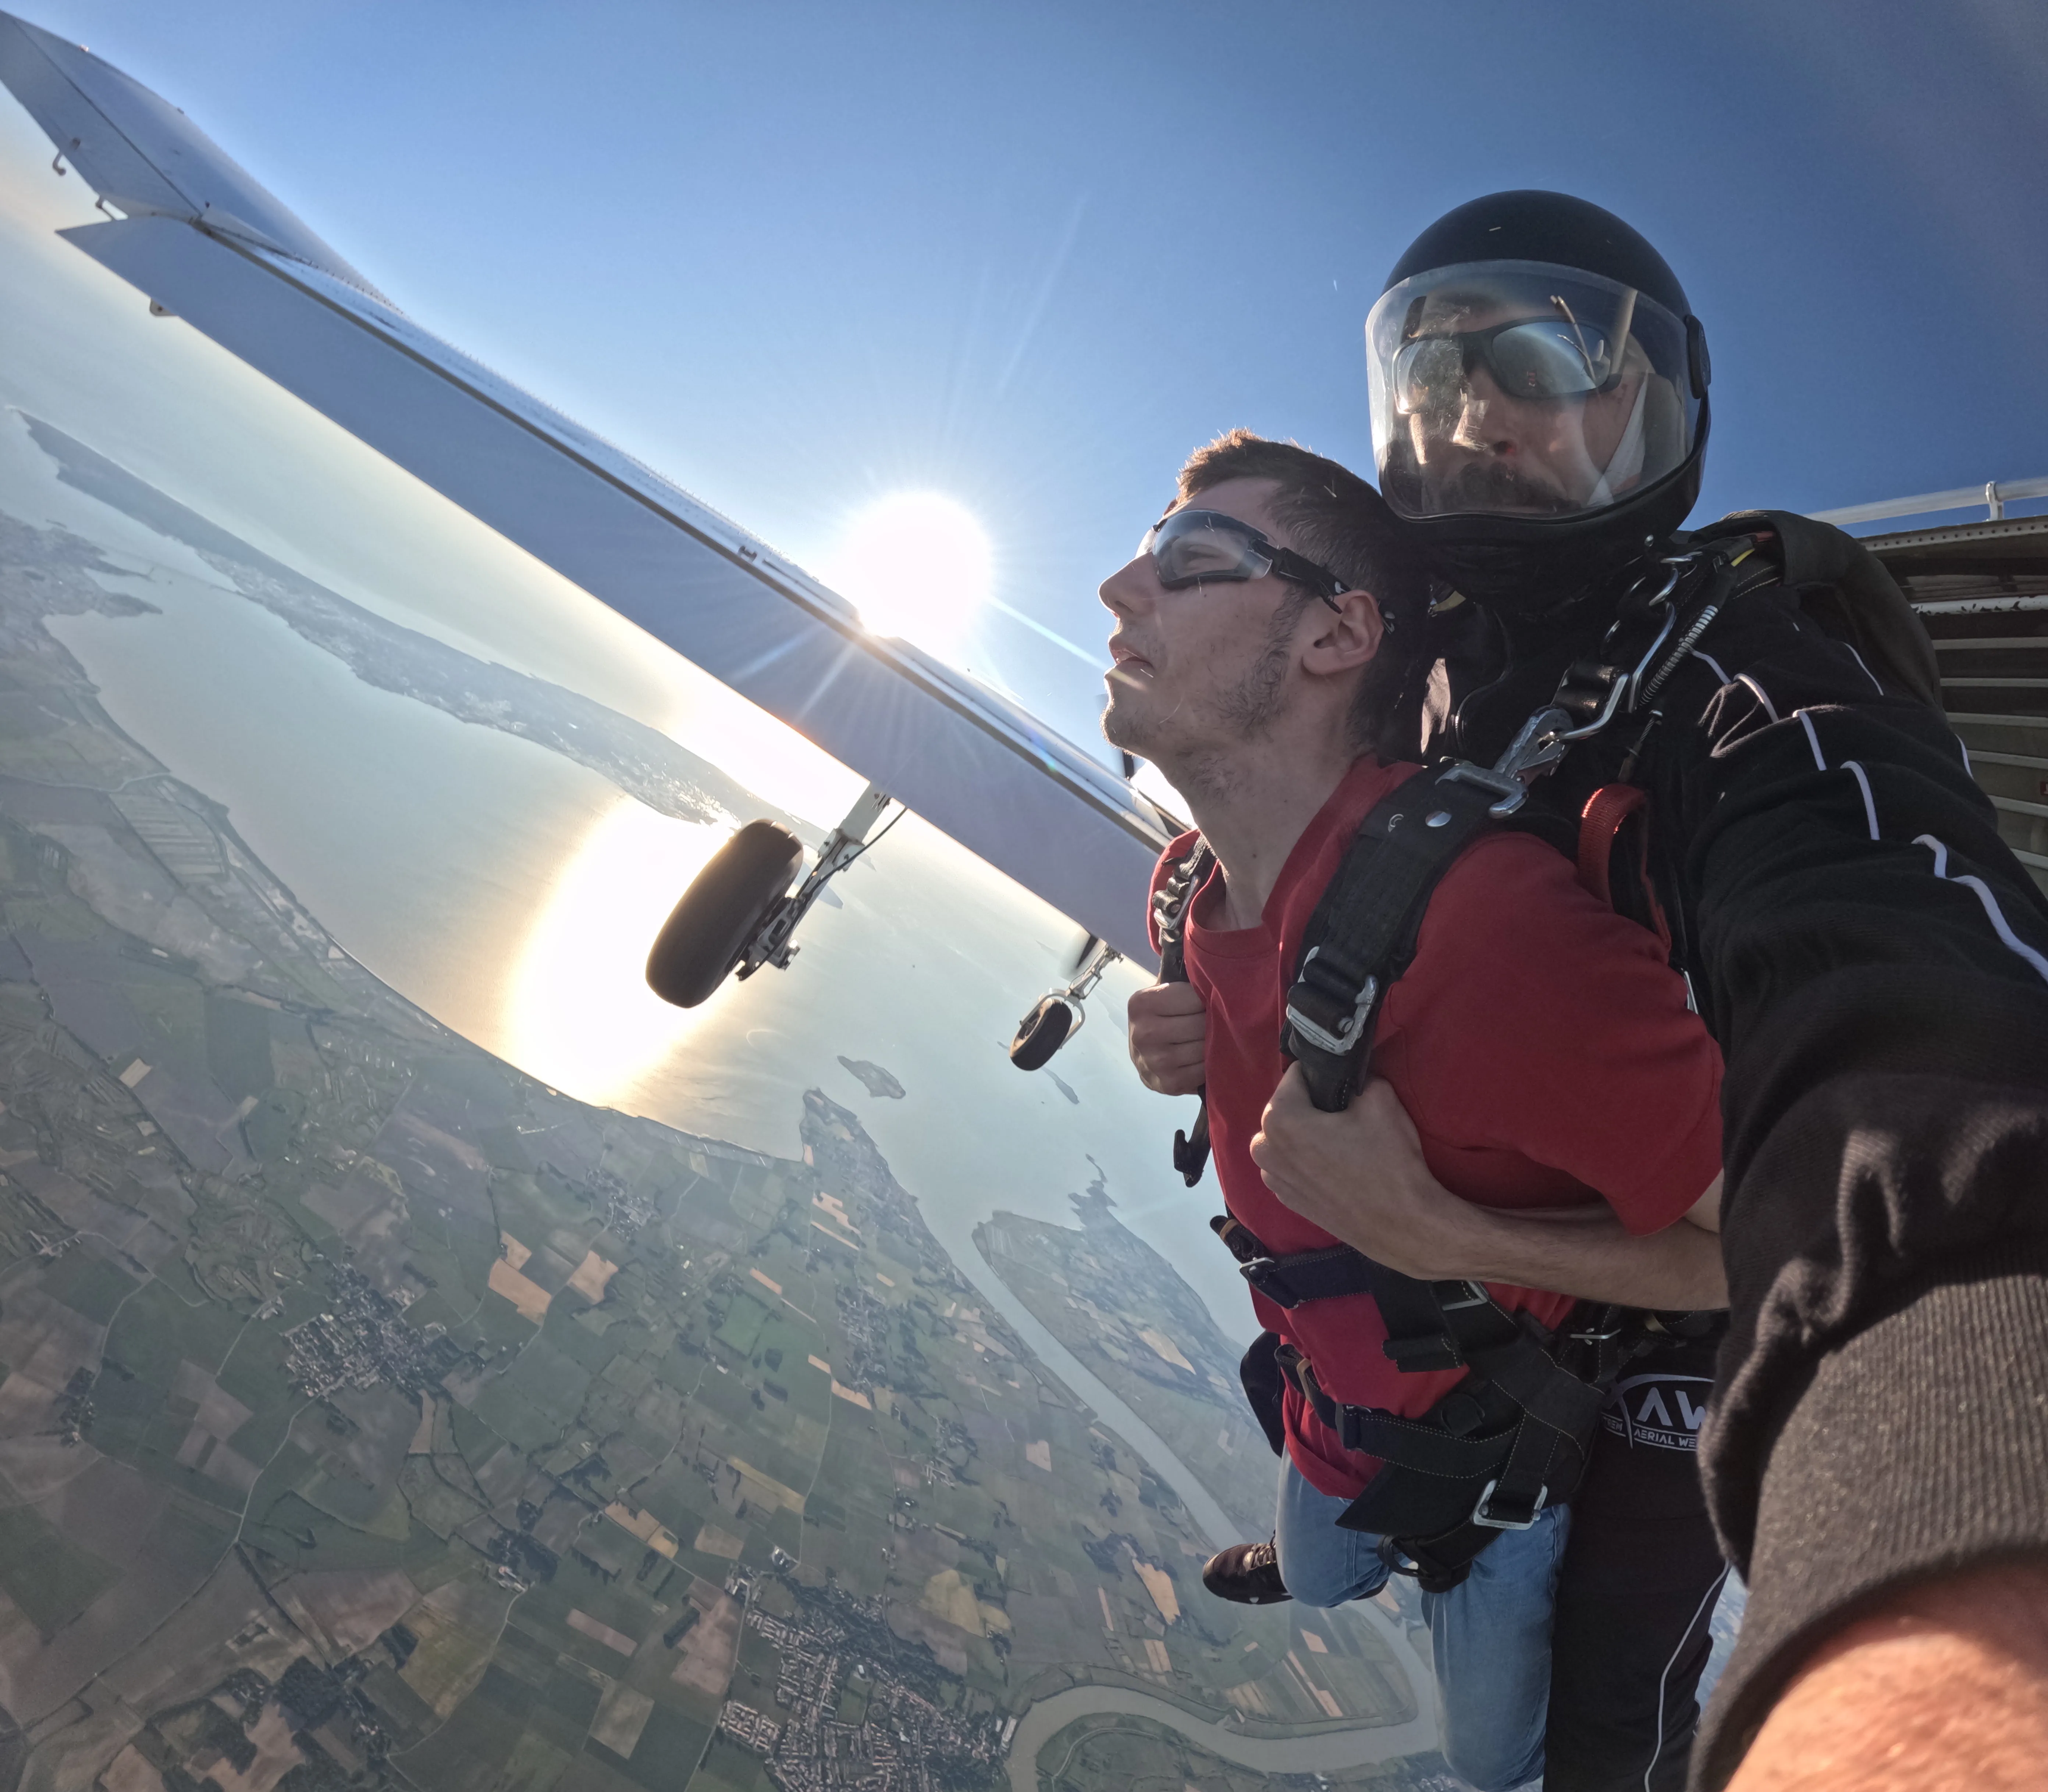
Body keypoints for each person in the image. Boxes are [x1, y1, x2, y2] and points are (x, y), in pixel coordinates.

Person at [1248, 190, 2048, 1791]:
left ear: (1659, 406)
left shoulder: (1751, 686)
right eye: (1433, 377)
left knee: (1600, 1709)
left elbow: (1934, 1081)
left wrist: (1951, 1633)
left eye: (1537, 360)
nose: (1473, 411)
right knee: (1374, 1426)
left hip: (1672, 1305)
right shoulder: (1425, 674)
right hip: (1476, 1277)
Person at [1105, 428, 1729, 1792]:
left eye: (1191, 564)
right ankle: (1325, 1555)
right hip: (1333, 1412)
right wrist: (1193, 1047)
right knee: (1325, 1570)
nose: (1117, 592)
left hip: (1489, 1472)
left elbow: (1784, 1257)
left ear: (1341, 635)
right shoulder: (1188, 888)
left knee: (1486, 1761)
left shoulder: (1492, 933)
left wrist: (1446, 1235)